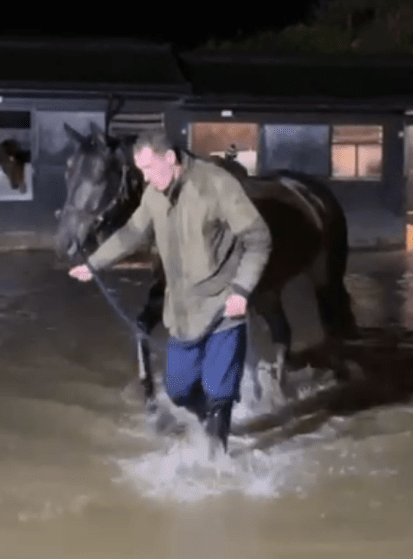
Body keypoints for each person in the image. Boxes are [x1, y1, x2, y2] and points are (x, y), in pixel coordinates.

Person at [69, 129, 272, 456]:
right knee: (178, 390)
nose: (146, 179)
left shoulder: (216, 185)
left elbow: (258, 239)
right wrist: (94, 264)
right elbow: (132, 232)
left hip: (223, 305)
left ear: (171, 159)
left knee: (219, 390)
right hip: (180, 311)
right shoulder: (154, 194)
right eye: (141, 171)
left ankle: (218, 463)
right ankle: (211, 423)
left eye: (149, 168)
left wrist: (241, 290)